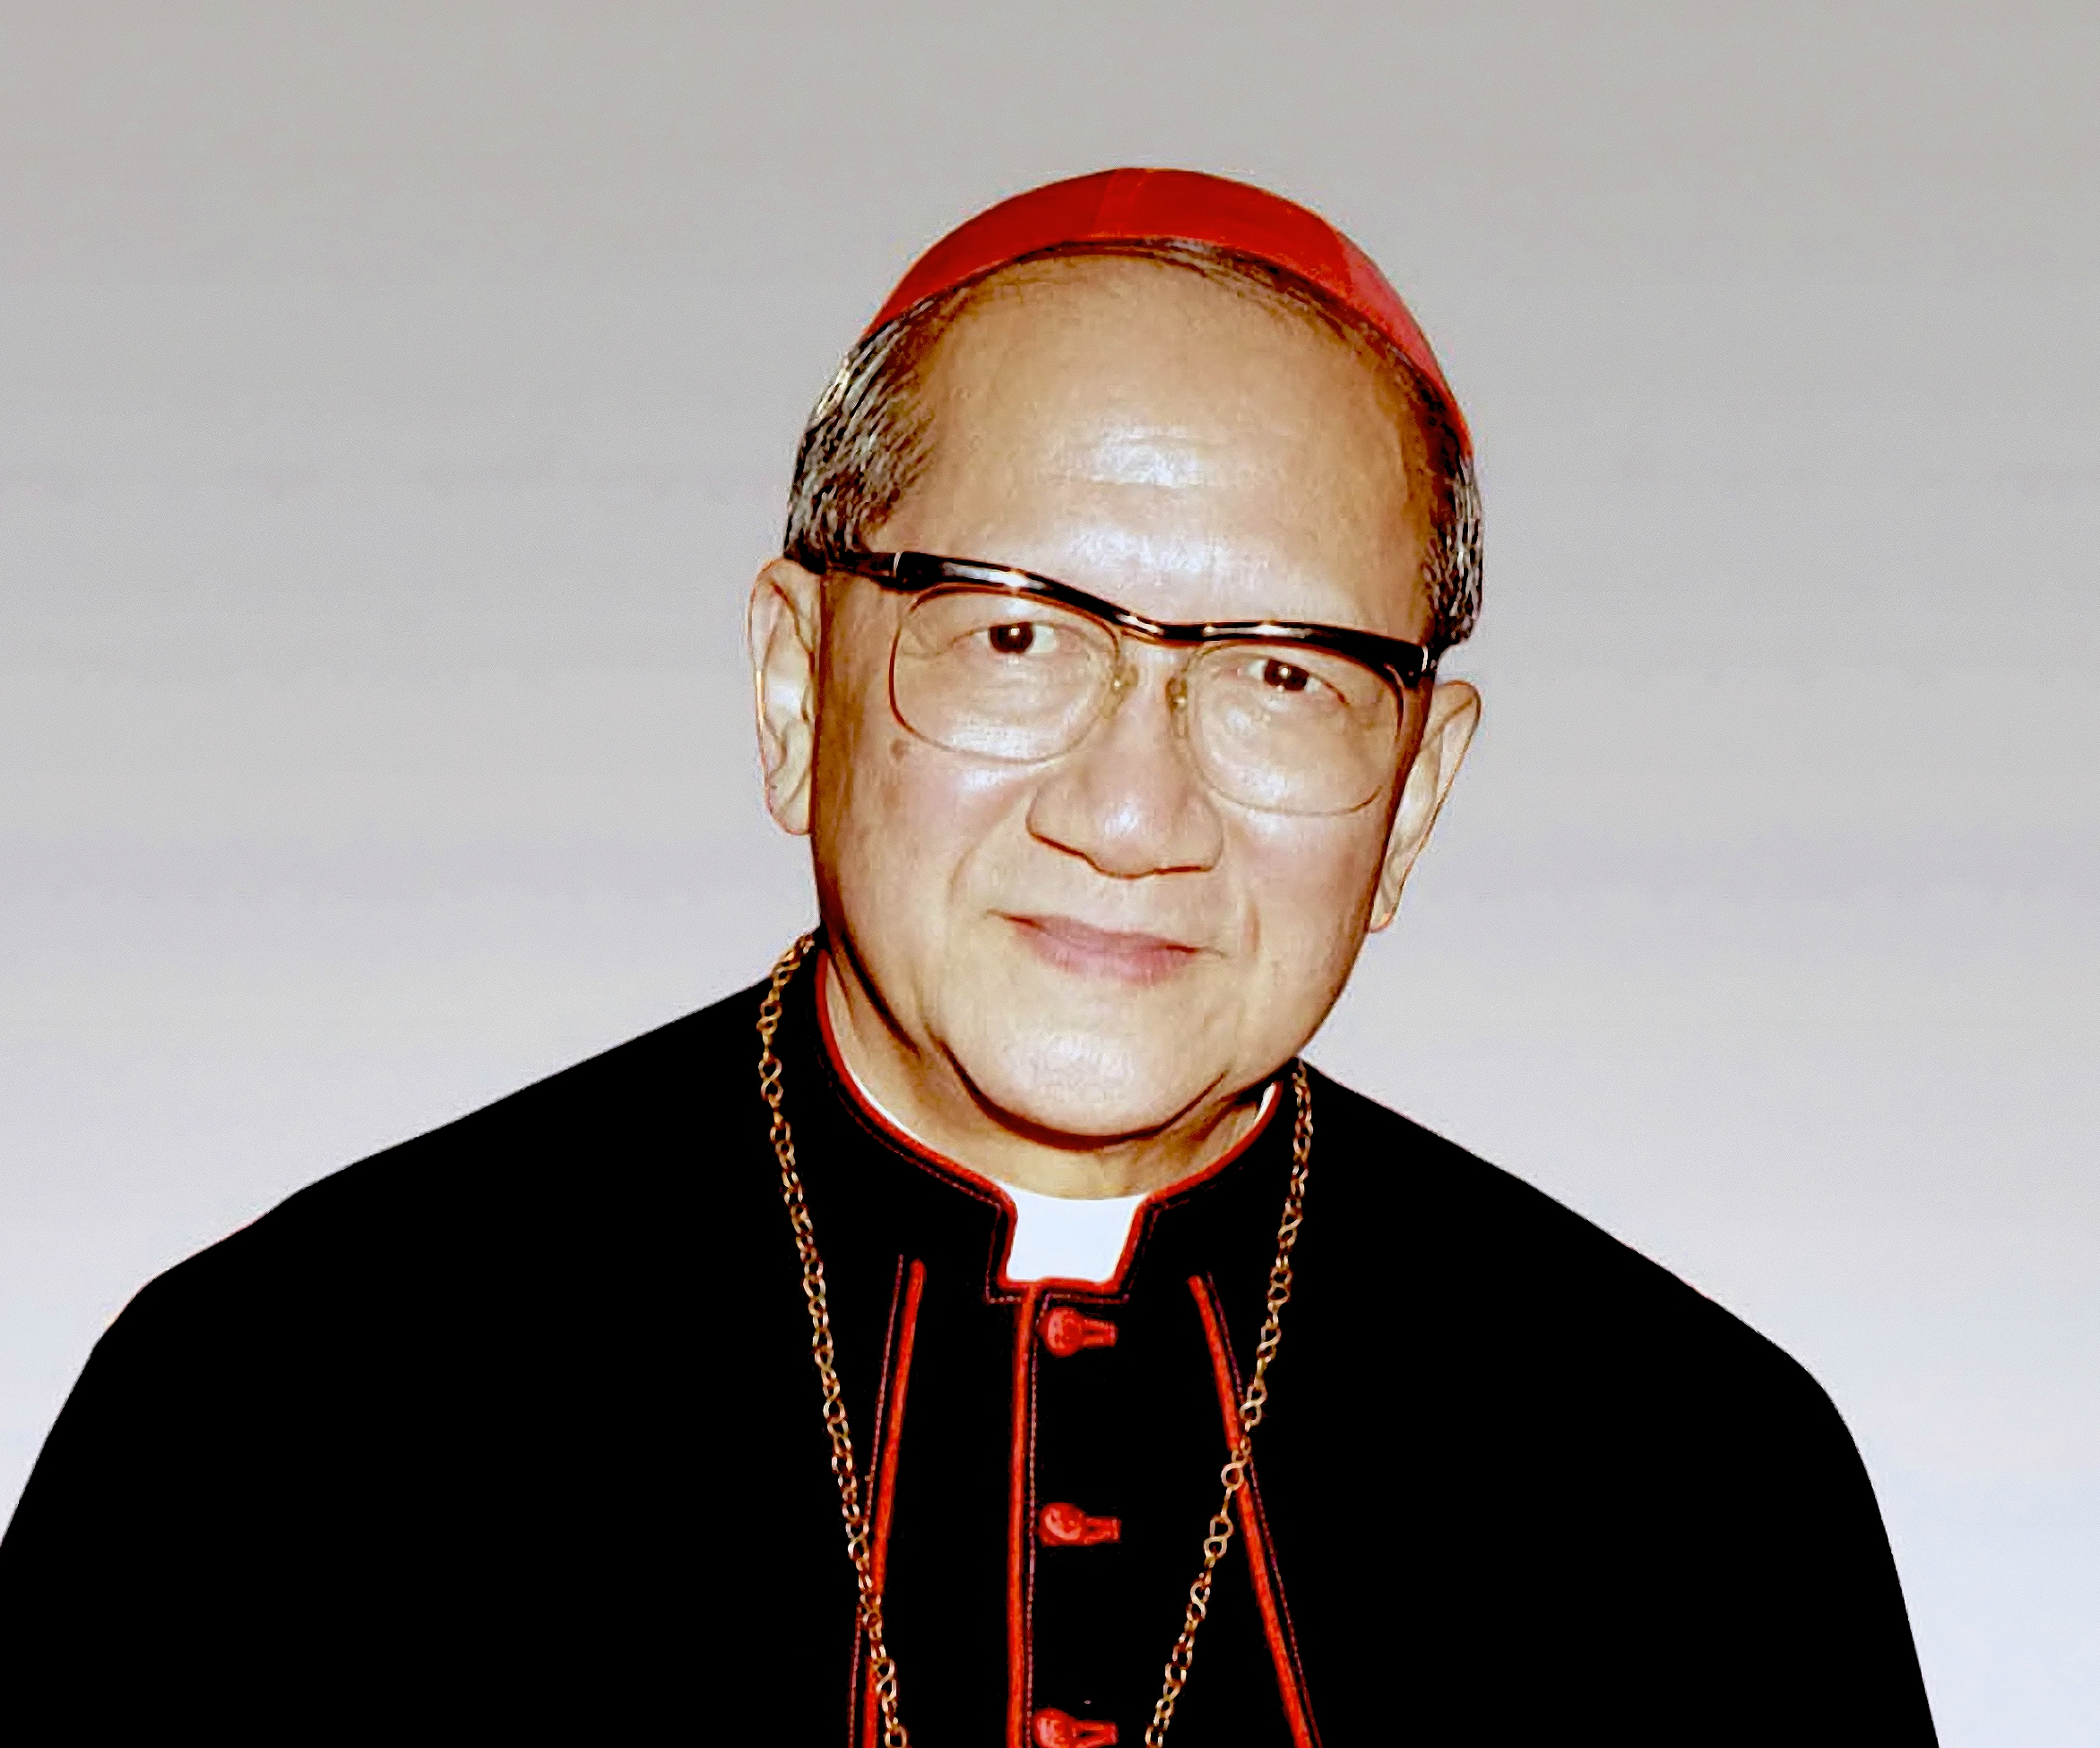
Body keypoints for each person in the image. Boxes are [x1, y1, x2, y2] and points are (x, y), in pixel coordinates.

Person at [0, 169, 1936, 1745]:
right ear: (795, 687)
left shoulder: (1699, 1488)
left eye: (1283, 677)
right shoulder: (280, 1409)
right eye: (1014, 634)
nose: (1133, 811)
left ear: (1414, 795)